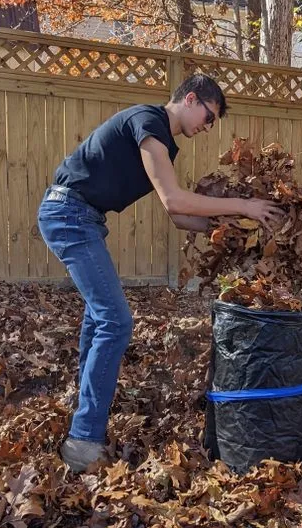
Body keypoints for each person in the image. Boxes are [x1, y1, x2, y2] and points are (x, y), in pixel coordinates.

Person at [37, 73, 283, 473]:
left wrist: (228, 231)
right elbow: (173, 196)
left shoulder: (162, 142)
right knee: (116, 322)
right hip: (68, 214)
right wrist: (244, 205)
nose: (208, 128)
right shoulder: (148, 121)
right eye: (209, 117)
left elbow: (177, 215)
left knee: (98, 318)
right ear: (190, 99)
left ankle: (81, 408)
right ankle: (83, 441)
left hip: (82, 218)